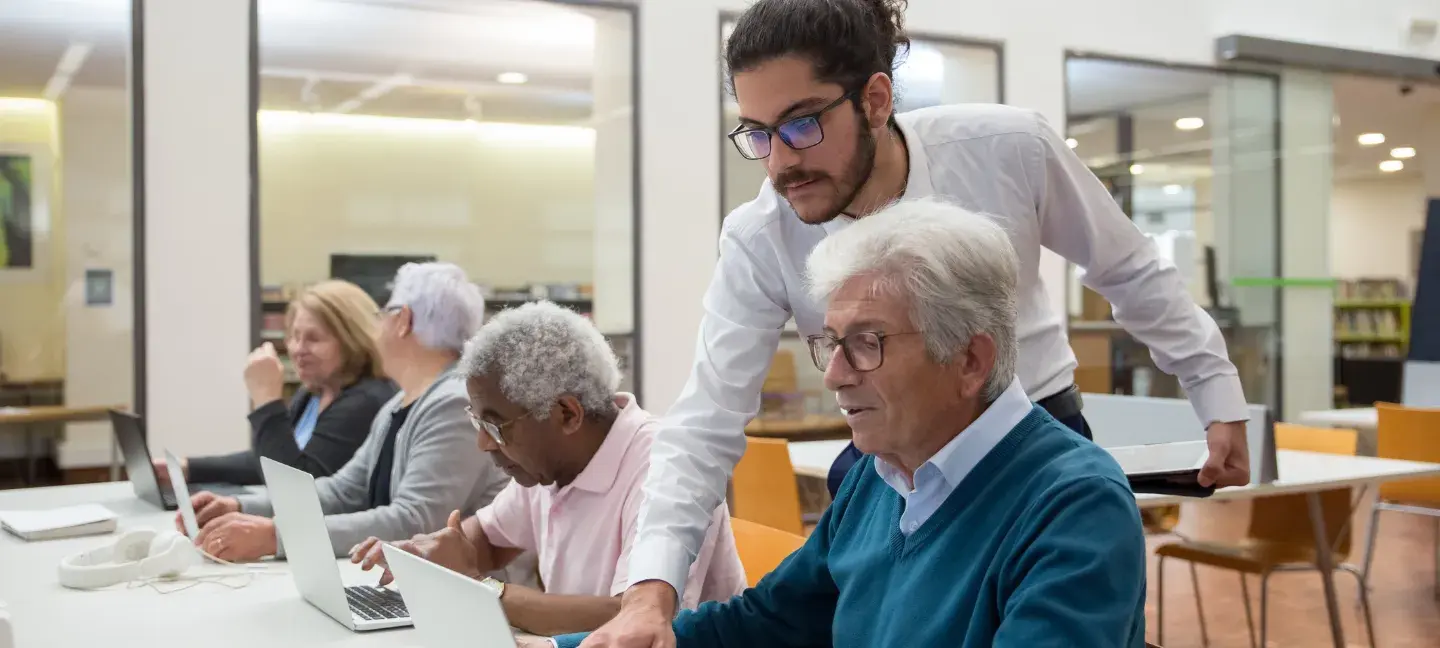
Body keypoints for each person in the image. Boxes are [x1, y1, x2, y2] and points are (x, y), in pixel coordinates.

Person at [589, 1, 1251, 643]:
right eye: (757, 133)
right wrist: (650, 594)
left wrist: (1215, 394)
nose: (779, 162)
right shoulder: (761, 233)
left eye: (801, 125)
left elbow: (1128, 268)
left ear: (875, 99)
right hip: (886, 460)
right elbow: (705, 419)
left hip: (1031, 437)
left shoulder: (1006, 147)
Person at [561, 199, 1147, 648]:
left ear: (971, 360)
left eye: (867, 343)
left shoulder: (1074, 504)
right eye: (832, 343)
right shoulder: (880, 475)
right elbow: (770, 623)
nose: (836, 374)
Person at [351, 302, 746, 637]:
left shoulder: (665, 468)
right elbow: (489, 538)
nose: (484, 444)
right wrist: (428, 553)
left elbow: (632, 618)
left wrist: (480, 588)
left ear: (566, 414)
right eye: (478, 422)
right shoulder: (545, 466)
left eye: (495, 425)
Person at [182, 263, 525, 583]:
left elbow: (413, 521)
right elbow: (344, 490)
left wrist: (276, 535)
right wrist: (242, 507)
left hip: (468, 600)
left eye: (383, 313)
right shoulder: (400, 401)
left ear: (403, 320)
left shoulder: (453, 403)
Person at [157, 280, 396, 486]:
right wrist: (188, 468)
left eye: (314, 338)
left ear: (352, 341)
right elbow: (270, 458)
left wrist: (267, 399)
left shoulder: (365, 402)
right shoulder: (312, 394)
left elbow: (293, 483)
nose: (298, 349)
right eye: (294, 336)